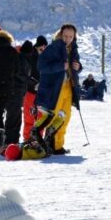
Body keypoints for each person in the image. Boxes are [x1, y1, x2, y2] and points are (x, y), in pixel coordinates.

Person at [32, 23, 82, 155]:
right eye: (66, 36)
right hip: (55, 88)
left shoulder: (73, 49)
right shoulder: (53, 48)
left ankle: (58, 145)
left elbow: (75, 67)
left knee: (65, 117)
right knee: (54, 116)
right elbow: (41, 66)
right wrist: (60, 66)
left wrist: (78, 67)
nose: (68, 39)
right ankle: (50, 144)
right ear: (60, 34)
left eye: (71, 37)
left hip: (69, 87)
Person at [19, 39, 40, 141]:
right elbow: (22, 75)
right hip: (30, 91)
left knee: (37, 117)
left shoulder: (44, 58)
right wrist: (34, 82)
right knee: (30, 117)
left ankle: (35, 138)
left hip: (36, 92)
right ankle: (29, 138)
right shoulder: (27, 58)